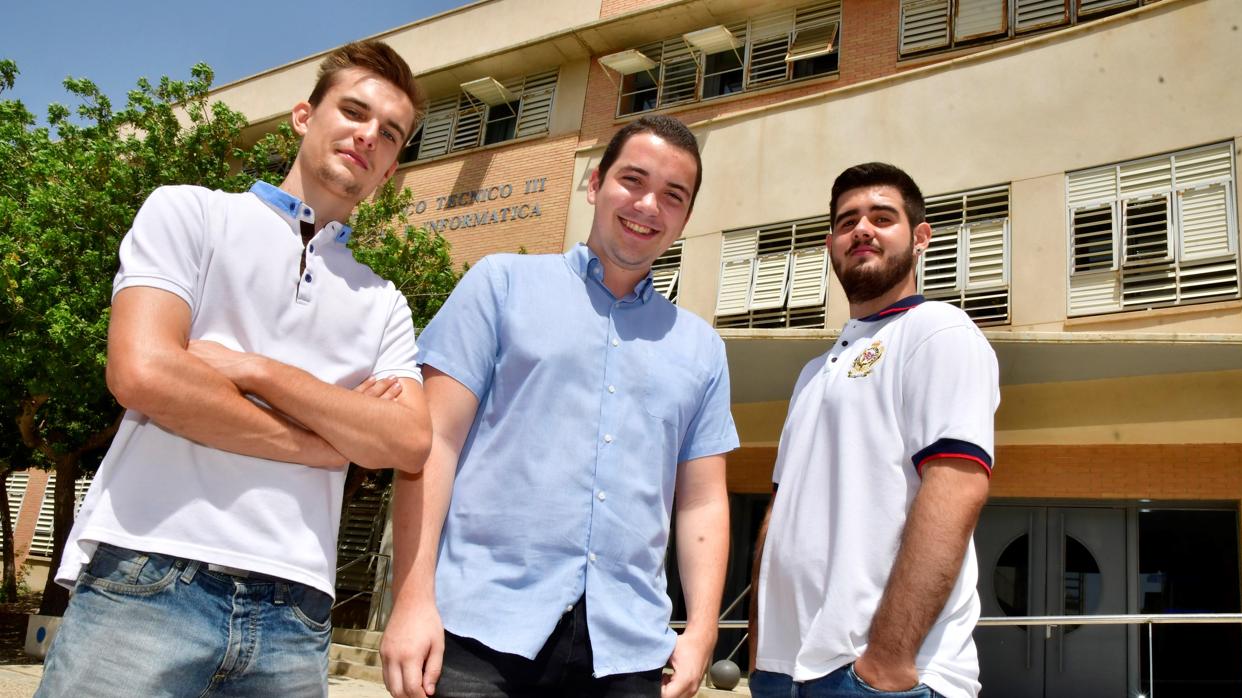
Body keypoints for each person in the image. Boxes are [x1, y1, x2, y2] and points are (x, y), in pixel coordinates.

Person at [36, 40, 432, 698]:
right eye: (354, 112)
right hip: (149, 571)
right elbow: (142, 373)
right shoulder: (190, 212)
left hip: (296, 613)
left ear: (391, 169)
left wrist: (252, 371)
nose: (368, 136)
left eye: (389, 134)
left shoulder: (383, 302)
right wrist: (327, 443)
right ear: (305, 116)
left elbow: (408, 442)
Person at [380, 114, 739, 698]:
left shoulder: (701, 347)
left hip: (628, 651)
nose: (649, 205)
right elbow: (432, 444)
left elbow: (701, 502)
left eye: (673, 195)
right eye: (633, 181)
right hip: (478, 634)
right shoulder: (500, 284)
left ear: (686, 217)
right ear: (595, 184)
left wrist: (701, 632)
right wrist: (412, 600)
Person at [749, 163, 999, 698]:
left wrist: (887, 662)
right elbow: (779, 513)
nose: (862, 229)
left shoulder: (939, 332)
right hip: (782, 672)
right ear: (831, 244)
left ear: (920, 237)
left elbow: (956, 489)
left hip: (871, 678)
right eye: (847, 221)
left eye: (882, 217)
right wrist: (759, 650)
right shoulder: (812, 374)